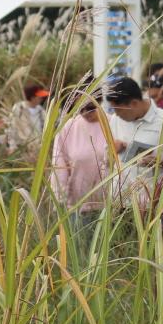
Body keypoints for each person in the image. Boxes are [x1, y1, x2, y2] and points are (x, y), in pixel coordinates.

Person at [104, 77, 163, 207]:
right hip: (120, 200)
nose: (116, 114)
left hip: (153, 203)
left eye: (119, 110)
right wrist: (112, 150)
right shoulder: (116, 120)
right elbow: (107, 160)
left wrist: (160, 159)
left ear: (134, 103)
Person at [51, 90, 112, 235]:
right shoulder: (67, 128)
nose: (85, 112)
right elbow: (59, 165)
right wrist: (60, 197)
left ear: (99, 102)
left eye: (90, 107)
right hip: (78, 206)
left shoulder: (114, 123)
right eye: (80, 108)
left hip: (111, 205)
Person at [6, 83, 49, 149]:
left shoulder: (41, 111)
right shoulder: (19, 108)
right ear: (32, 98)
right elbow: (12, 129)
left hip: (38, 148)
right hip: (22, 148)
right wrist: (12, 146)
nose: (41, 98)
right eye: (39, 96)